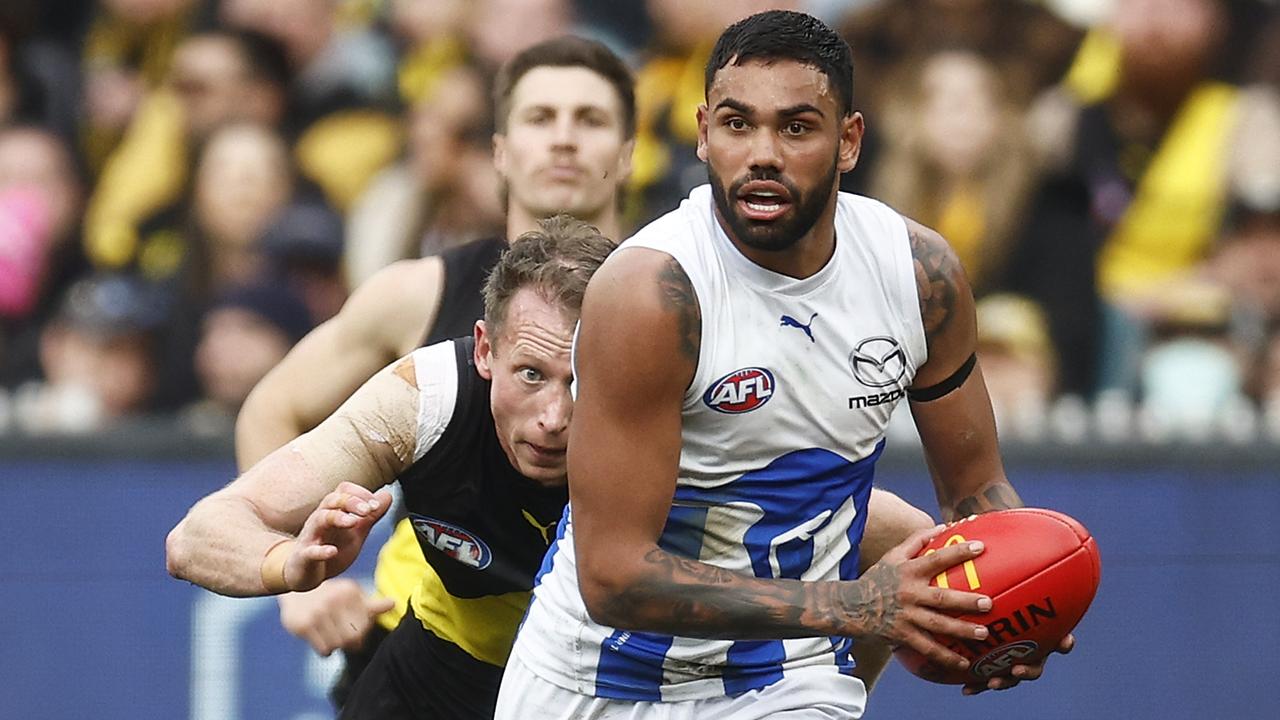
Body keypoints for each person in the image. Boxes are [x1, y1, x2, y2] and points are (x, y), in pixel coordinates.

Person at [234, 34, 928, 711]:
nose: (564, 140)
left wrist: (827, 685)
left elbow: (825, 506)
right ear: (500, 152)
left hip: (608, 675)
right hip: (432, 655)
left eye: (590, 120)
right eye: (540, 118)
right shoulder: (417, 292)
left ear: (631, 155)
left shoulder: (681, 306)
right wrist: (302, 581)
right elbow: (274, 410)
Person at [496, 11, 1073, 720]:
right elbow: (613, 576)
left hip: (788, 681)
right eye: (738, 125)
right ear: (704, 133)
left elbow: (977, 493)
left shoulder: (920, 276)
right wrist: (854, 604)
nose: (762, 153)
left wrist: (1013, 610)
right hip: (594, 682)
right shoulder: (651, 293)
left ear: (849, 141)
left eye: (797, 127)